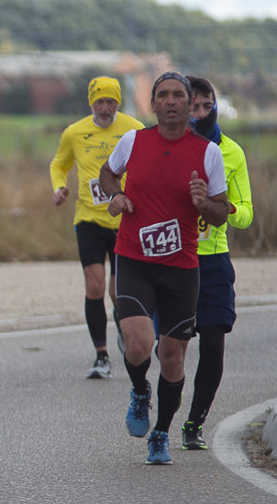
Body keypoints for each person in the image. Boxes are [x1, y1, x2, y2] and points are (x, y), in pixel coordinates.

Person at [98, 71, 229, 465]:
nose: (171, 101)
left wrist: (203, 203)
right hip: (134, 259)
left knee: (172, 358)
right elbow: (107, 173)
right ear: (153, 104)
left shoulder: (208, 153)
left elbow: (221, 213)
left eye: (178, 95)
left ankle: (161, 433)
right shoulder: (133, 141)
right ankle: (141, 391)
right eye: (163, 95)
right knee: (138, 343)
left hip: (181, 268)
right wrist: (116, 195)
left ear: (190, 105)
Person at [50, 76, 144, 379]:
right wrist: (59, 187)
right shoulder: (75, 132)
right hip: (88, 219)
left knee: (118, 291)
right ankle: (101, 356)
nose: (105, 108)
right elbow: (59, 164)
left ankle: (122, 322)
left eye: (111, 102)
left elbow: (149, 165)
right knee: (94, 286)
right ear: (90, 103)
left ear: (119, 102)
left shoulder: (134, 129)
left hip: (125, 220)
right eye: (99, 102)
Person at [179, 76, 254, 450]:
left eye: (207, 106)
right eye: (193, 107)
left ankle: (194, 423)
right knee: (169, 348)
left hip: (212, 262)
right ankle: (159, 405)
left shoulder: (232, 153)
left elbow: (247, 215)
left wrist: (225, 208)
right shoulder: (167, 147)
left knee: (213, 342)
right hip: (174, 261)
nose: (200, 113)